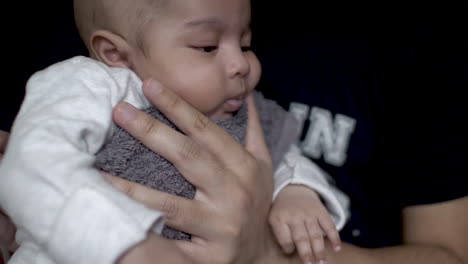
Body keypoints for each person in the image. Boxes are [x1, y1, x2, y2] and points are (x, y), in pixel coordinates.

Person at [3, 0, 468, 264]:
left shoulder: (240, 105)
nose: (241, 63)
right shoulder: (85, 86)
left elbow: (281, 158)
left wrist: (299, 193)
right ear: (117, 54)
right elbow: (34, 165)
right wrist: (129, 249)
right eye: (208, 46)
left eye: (245, 42)